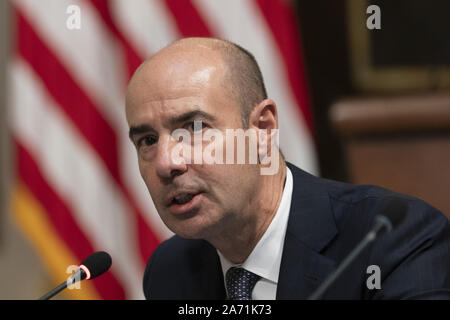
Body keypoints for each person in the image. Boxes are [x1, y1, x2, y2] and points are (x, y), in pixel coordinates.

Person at [125, 37, 450, 300]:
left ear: (263, 129)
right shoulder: (170, 271)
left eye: (194, 128)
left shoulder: (391, 242)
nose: (167, 163)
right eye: (147, 140)